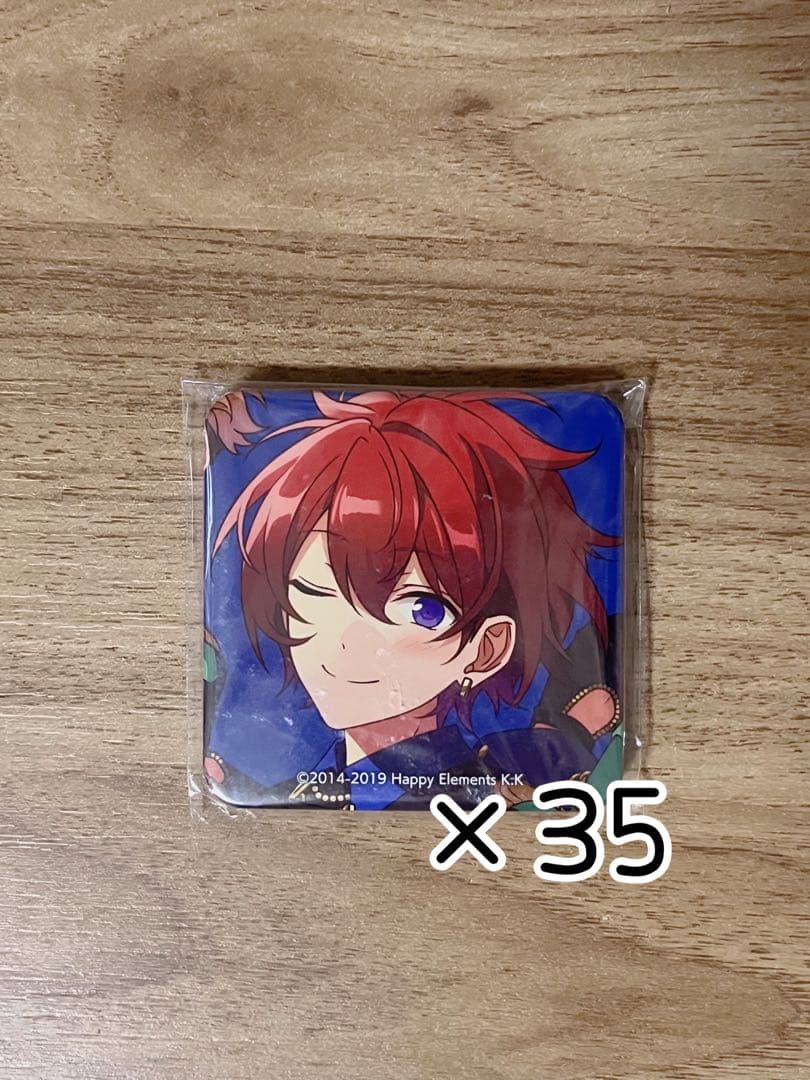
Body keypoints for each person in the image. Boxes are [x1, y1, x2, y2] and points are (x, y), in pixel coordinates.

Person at [204, 389, 621, 810]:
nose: (348, 643)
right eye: (311, 592)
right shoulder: (312, 779)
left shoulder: (484, 781)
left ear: (486, 649)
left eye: (421, 610)